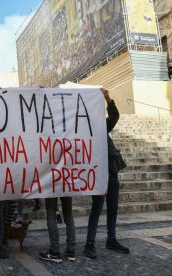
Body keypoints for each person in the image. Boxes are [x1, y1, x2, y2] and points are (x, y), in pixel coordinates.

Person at [84, 88, 130, 259]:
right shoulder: (83, 132)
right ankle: (90, 243)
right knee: (96, 209)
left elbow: (115, 117)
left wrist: (107, 98)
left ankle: (111, 239)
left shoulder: (102, 126)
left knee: (113, 208)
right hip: (98, 175)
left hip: (111, 172)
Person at [39, 197, 76, 263]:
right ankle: (71, 250)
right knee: (68, 215)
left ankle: (54, 251)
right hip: (67, 187)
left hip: (52, 188)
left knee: (51, 215)